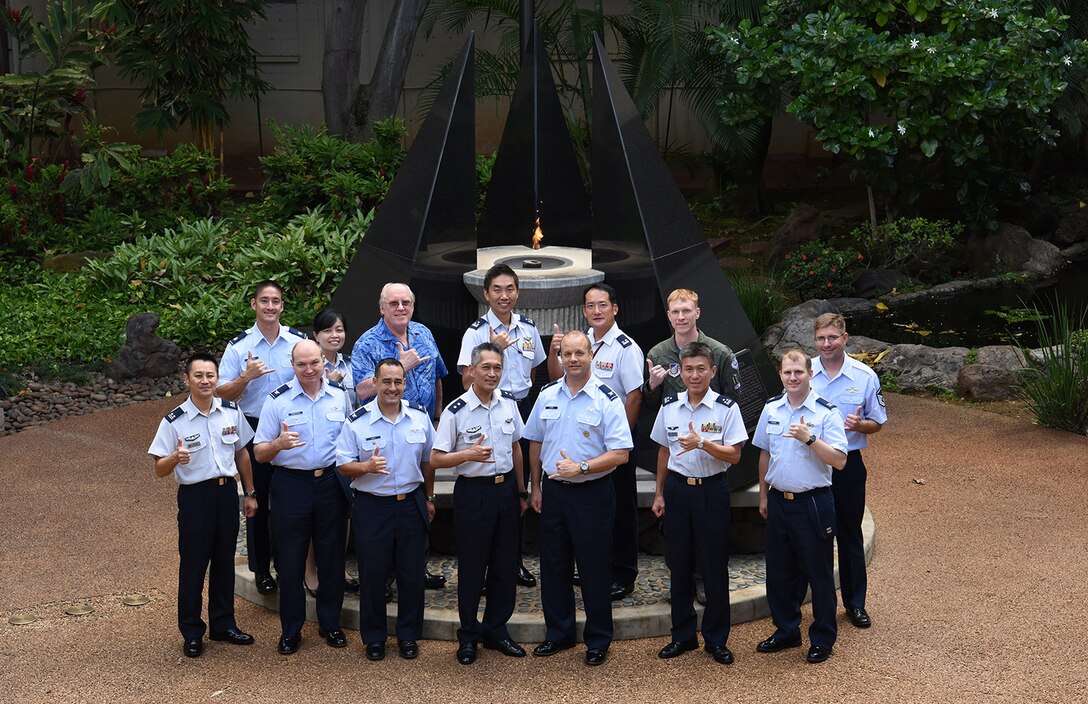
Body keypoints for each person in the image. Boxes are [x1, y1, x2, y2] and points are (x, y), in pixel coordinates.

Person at [527, 331, 633, 666]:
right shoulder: (547, 395)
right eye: (566, 354)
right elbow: (534, 441)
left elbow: (621, 454)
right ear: (559, 357)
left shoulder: (607, 398)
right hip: (554, 493)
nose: (573, 359)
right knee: (554, 566)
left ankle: (598, 639)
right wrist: (536, 486)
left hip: (593, 494)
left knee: (594, 567)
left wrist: (582, 467)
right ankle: (558, 634)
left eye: (579, 354)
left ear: (590, 355)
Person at [148, 353, 259, 658]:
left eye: (211, 375)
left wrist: (250, 492)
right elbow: (159, 468)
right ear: (187, 379)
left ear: (217, 378)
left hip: (226, 495)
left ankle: (223, 625)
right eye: (198, 375)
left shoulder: (230, 411)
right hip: (195, 497)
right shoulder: (174, 420)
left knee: (224, 563)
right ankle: (192, 631)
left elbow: (242, 454)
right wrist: (175, 459)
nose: (206, 381)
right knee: (194, 566)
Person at [649, 342, 747, 665]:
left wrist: (704, 443)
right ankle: (683, 636)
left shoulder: (726, 408)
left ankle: (716, 639)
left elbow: (734, 455)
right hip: (678, 491)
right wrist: (659, 493)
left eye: (701, 369)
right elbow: (663, 452)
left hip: (711, 491)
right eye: (688, 369)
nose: (694, 375)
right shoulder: (670, 406)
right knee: (679, 564)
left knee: (715, 565)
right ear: (679, 370)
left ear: (712, 371)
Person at [433, 342, 529, 665]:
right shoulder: (456, 411)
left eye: (497, 368)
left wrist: (520, 492)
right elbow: (436, 458)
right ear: (471, 370)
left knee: (504, 566)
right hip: (473, 493)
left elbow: (516, 448)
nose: (492, 373)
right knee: (473, 567)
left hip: (505, 493)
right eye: (486, 367)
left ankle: (496, 631)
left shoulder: (508, 405)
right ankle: (469, 636)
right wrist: (468, 455)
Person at [254, 340, 352, 655]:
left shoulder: (340, 397)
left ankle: (330, 623)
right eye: (301, 364)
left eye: (314, 363)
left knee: (332, 557)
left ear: (324, 361)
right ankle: (291, 629)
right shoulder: (277, 401)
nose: (309, 370)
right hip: (291, 485)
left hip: (330, 484)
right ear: (292, 365)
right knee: (291, 560)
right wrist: (279, 443)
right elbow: (259, 452)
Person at [751, 349, 848, 664]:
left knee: (818, 574)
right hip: (779, 502)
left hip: (813, 504)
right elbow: (764, 453)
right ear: (780, 374)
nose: (793, 378)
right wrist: (763, 496)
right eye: (787, 372)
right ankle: (786, 631)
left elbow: (840, 460)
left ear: (809, 374)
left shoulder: (825, 412)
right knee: (779, 573)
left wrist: (809, 439)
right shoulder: (772, 408)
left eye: (799, 372)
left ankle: (822, 638)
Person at [350, 282, 448, 590]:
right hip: (385, 430)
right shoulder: (366, 343)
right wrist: (402, 367)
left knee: (417, 501)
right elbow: (361, 389)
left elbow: (438, 376)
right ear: (381, 307)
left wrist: (436, 417)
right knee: (392, 497)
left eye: (406, 302)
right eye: (394, 303)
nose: (401, 308)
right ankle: (387, 577)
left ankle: (415, 568)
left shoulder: (423, 334)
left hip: (419, 427)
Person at [336, 358, 436, 662]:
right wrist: (365, 467)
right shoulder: (357, 420)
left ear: (404, 384)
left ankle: (408, 635)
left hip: (411, 503)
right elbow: (342, 465)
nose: (392, 388)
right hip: (372, 506)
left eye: (398, 382)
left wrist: (428, 497)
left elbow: (428, 461)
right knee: (372, 574)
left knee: (411, 574)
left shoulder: (419, 418)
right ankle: (375, 638)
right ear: (376, 384)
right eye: (386, 382)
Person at [548, 283, 643, 601]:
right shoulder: (582, 343)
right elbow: (556, 377)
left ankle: (623, 573)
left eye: (603, 304)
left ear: (615, 308)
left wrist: (619, 443)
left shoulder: (625, 347)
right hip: (587, 447)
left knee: (622, 512)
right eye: (590, 306)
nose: (597, 311)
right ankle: (596, 568)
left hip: (613, 447)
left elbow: (633, 397)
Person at [216, 280, 308, 596]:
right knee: (258, 500)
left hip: (291, 427)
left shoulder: (297, 342)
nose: (270, 307)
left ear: (282, 306)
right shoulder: (239, 347)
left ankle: (289, 566)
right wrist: (246, 376)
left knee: (291, 502)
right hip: (254, 428)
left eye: (276, 301)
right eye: (264, 301)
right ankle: (262, 569)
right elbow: (220, 392)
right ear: (254, 304)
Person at [457, 263, 545, 587]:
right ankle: (480, 568)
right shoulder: (476, 332)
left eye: (510, 289)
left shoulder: (529, 328)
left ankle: (514, 561)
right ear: (486, 294)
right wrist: (496, 349)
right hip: (484, 408)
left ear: (517, 292)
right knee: (490, 483)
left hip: (517, 405)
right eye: (497, 290)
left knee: (514, 488)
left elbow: (534, 372)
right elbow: (466, 377)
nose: (504, 296)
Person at [809, 312, 887, 629]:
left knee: (850, 534)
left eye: (832, 337)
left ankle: (855, 604)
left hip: (848, 464)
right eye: (821, 338)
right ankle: (822, 605)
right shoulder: (804, 372)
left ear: (845, 338)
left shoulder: (864, 376)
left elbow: (877, 423)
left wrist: (861, 425)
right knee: (815, 537)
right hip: (811, 463)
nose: (826, 344)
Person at [304, 308, 359, 598]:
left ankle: (339, 567)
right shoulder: (310, 366)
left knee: (345, 513)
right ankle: (311, 571)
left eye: (338, 329)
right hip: (317, 453)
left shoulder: (351, 363)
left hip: (344, 452)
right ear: (316, 335)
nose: (334, 335)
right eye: (327, 330)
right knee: (315, 519)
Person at [643, 289, 740, 413]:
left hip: (711, 428)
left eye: (686, 311)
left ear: (697, 313)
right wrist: (652, 386)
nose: (681, 317)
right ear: (669, 316)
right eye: (675, 312)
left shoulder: (720, 354)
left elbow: (732, 403)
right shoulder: (656, 355)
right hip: (675, 428)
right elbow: (650, 406)